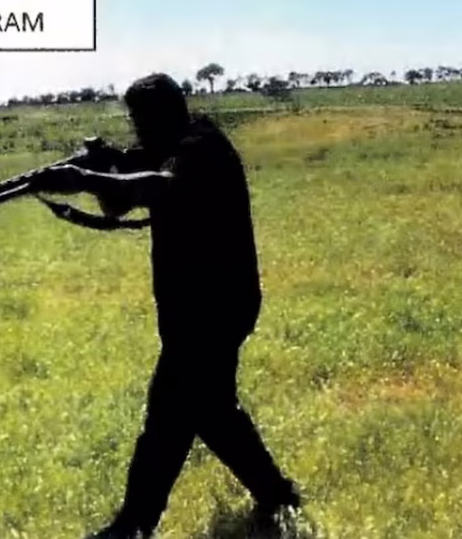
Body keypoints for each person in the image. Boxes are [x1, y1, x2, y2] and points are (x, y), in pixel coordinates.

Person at [32, 73, 302, 539]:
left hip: (214, 309)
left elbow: (160, 186)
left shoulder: (202, 146)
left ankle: (133, 524)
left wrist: (86, 176)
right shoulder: (168, 149)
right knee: (212, 412)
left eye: (141, 120)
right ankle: (277, 496)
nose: (137, 130)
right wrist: (106, 168)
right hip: (192, 309)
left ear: (165, 113)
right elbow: (119, 205)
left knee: (168, 417)